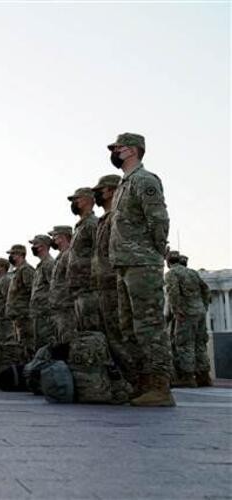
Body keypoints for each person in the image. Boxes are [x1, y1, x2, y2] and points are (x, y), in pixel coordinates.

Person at [108, 132, 173, 407]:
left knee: (148, 326)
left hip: (142, 262)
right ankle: (142, 384)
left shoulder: (145, 180)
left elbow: (158, 219)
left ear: (133, 150)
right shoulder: (125, 184)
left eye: (118, 148)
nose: (114, 152)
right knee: (128, 327)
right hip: (124, 263)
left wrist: (154, 252)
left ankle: (159, 386)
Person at [91, 174, 137, 383]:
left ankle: (136, 380)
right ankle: (127, 381)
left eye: (100, 190)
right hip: (102, 286)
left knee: (121, 334)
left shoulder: (117, 217)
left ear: (110, 190)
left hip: (113, 284)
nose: (96, 194)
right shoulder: (103, 220)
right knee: (110, 336)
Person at [165, 251, 212, 387]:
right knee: (200, 343)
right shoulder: (192, 272)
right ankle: (204, 376)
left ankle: (187, 377)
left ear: (168, 262)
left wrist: (176, 310)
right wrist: (203, 306)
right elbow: (206, 290)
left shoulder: (171, 274)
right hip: (200, 312)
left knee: (184, 344)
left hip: (185, 313)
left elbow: (173, 292)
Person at [66, 188, 101, 332]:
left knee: (91, 329)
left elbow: (100, 252)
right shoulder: (81, 226)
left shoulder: (93, 224)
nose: (74, 203)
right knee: (82, 330)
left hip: (89, 287)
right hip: (79, 288)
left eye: (77, 199)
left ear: (88, 200)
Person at [5, 244, 35, 358]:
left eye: (13, 254)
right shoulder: (17, 271)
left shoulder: (26, 270)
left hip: (25, 314)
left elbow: (32, 290)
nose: (11, 257)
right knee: (21, 343)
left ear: (20, 255)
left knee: (27, 343)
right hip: (18, 315)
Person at [28, 234, 56, 351]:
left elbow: (54, 287)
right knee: (39, 345)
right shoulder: (41, 265)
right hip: (39, 313)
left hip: (46, 313)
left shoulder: (49, 264)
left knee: (46, 345)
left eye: (35, 244)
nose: (33, 247)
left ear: (43, 246)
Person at [48, 225, 76, 344]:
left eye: (55, 236)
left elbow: (72, 278)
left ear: (63, 237)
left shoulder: (69, 254)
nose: (53, 239)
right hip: (59, 305)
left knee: (68, 339)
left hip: (66, 305)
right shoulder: (60, 256)